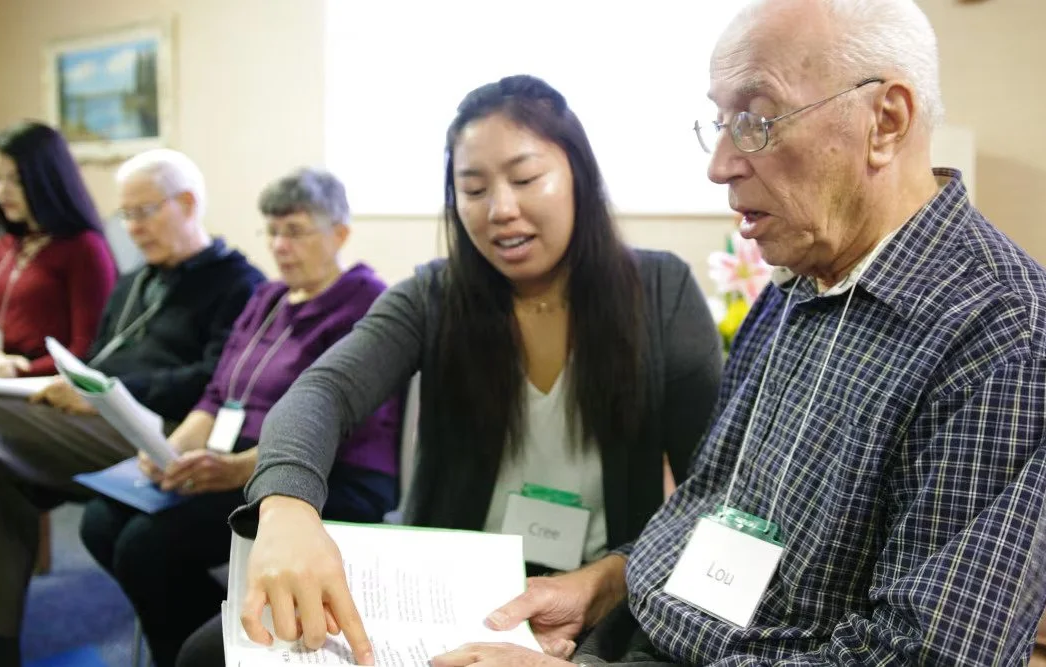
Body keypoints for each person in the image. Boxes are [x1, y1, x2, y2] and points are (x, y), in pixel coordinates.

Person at [426, 1, 1046, 665]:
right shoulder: (795, 286)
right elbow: (711, 506)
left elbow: (918, 653)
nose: (720, 164)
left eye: (756, 120)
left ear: (887, 120)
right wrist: (609, 579)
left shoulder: (1009, 343)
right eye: (718, 123)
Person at [212, 74, 722, 665]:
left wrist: (617, 573)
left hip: (601, 594)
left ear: (578, 174)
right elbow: (325, 391)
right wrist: (285, 503)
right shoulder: (433, 295)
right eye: (472, 189)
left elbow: (711, 485)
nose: (501, 210)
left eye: (527, 178)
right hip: (444, 594)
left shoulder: (661, 292)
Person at [78, 167, 402, 667]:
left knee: (147, 549)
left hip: (328, 476)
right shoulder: (268, 297)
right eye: (271, 231)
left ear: (339, 232)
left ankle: (199, 651)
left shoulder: (366, 303)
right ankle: (213, 636)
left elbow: (339, 424)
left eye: (294, 231)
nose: (280, 245)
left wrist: (236, 468)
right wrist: (170, 447)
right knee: (100, 524)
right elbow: (216, 394)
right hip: (236, 462)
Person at [0, 148, 265, 667]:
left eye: (145, 211)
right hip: (96, 422)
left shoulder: (238, 283)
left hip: (167, 431)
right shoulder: (136, 281)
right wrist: (78, 381)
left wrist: (109, 389)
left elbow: (212, 381)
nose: (132, 228)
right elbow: (96, 354)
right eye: (125, 215)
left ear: (188, 203)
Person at [0, 120, 117, 379]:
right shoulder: (0, 247)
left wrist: (18, 371)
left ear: (46, 178)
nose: (1, 191)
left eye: (16, 179)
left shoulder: (85, 248)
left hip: (49, 388)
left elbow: (87, 350)